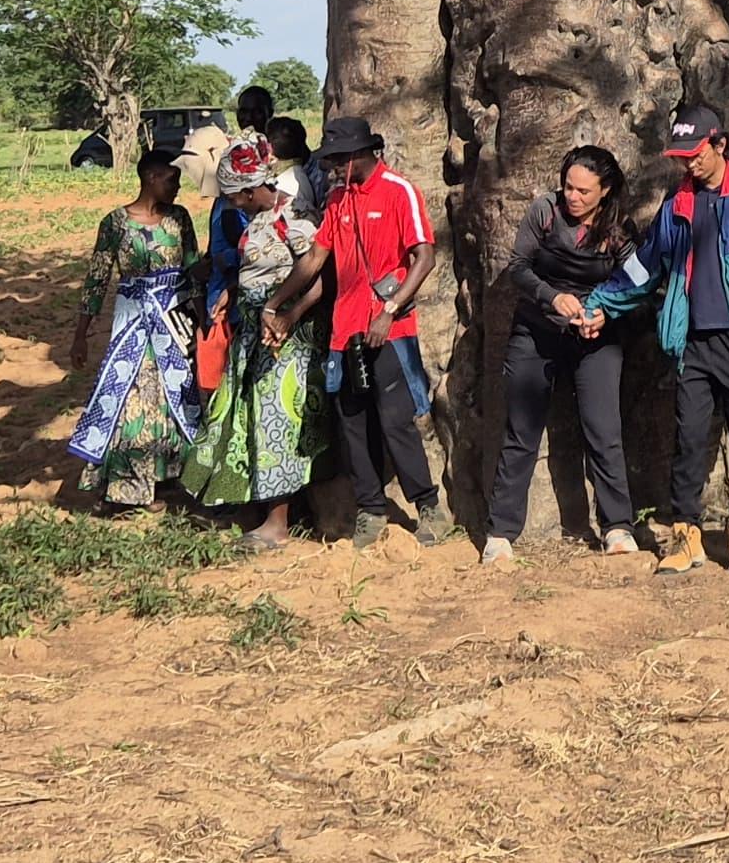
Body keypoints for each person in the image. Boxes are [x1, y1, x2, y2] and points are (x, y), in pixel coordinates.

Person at [584, 102, 729, 575]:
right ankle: (686, 532)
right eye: (682, 155)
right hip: (691, 343)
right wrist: (599, 303)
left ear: (720, 144)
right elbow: (642, 268)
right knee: (690, 439)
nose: (689, 163)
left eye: (696, 153)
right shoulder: (677, 204)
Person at [481, 144, 646, 564]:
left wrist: (605, 313)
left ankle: (618, 527)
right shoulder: (544, 212)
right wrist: (552, 298)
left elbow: (640, 283)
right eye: (568, 187)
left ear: (605, 191)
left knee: (604, 430)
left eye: (584, 191)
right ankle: (500, 532)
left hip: (595, 336)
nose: (573, 197)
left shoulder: (619, 230)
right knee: (521, 432)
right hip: (536, 331)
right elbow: (519, 267)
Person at [307, 113, 454, 546]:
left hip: (390, 328)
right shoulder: (337, 200)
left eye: (337, 158)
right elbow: (317, 259)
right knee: (352, 420)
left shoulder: (398, 191)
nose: (332, 167)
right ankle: (370, 509)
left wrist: (389, 308)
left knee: (395, 421)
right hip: (344, 330)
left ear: (359, 155)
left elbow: (423, 257)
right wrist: (284, 305)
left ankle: (429, 506)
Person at [183, 147, 329, 545]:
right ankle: (241, 503)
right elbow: (256, 269)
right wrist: (234, 291)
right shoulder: (259, 220)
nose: (230, 204)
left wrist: (286, 312)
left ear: (247, 192)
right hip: (252, 336)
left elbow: (317, 281)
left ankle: (278, 523)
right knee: (239, 418)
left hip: (282, 343)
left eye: (232, 197)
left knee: (275, 426)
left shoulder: (294, 220)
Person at [61, 140, 205, 507]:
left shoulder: (180, 218)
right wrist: (81, 334)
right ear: (151, 178)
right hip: (134, 323)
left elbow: (192, 269)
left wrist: (202, 318)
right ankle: (126, 487)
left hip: (175, 321)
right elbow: (97, 279)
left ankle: (170, 476)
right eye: (171, 180)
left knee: (177, 394)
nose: (177, 188)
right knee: (132, 395)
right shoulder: (115, 224)